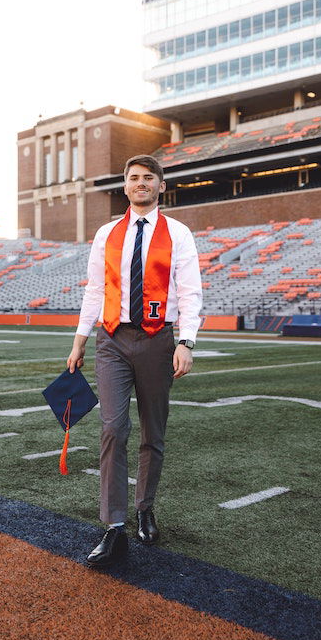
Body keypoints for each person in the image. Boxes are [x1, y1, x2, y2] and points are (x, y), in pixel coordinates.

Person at [67, 154, 202, 566]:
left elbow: (190, 289)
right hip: (111, 339)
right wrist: (79, 340)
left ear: (161, 186)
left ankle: (145, 506)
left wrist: (187, 341)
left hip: (158, 340)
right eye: (133, 178)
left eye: (148, 178)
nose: (140, 183)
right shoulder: (106, 233)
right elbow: (95, 290)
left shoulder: (178, 233)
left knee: (152, 431)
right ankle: (113, 526)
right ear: (125, 186)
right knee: (113, 427)